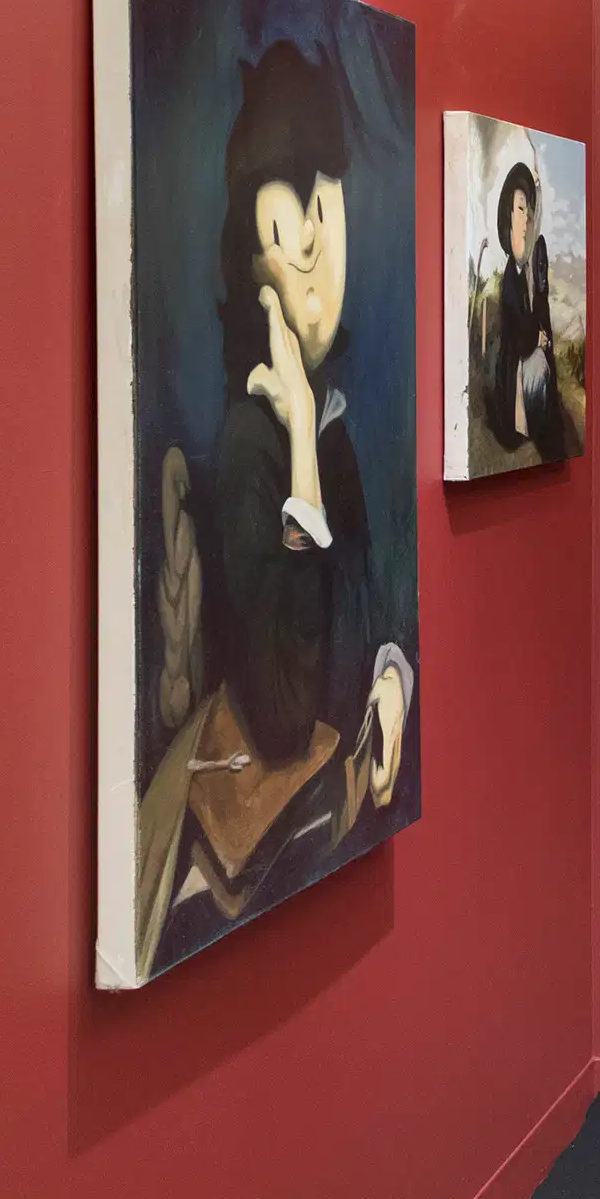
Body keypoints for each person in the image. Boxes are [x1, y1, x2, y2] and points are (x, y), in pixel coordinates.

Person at [209, 42, 412, 808]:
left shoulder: (330, 422)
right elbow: (286, 715)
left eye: (327, 236)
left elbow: (362, 593)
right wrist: (299, 450)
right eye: (294, 254)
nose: (321, 284)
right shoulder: (252, 447)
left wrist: (390, 678)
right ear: (253, 280)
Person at [488, 159, 570, 462]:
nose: (526, 219)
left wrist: (541, 337)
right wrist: (537, 339)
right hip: (516, 369)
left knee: (541, 369)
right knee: (537, 368)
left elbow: (538, 309)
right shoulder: (511, 277)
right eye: (520, 209)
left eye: (529, 211)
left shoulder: (532, 263)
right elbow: (517, 334)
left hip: (531, 357)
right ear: (508, 217)